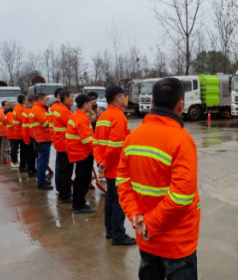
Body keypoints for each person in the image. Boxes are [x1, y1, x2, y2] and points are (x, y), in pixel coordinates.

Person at [117, 78, 200, 279]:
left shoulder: (133, 138)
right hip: (176, 244)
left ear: (152, 103)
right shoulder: (181, 140)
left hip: (146, 239)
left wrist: (136, 216)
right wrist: (150, 225)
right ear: (181, 105)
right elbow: (181, 197)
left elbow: (122, 182)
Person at [93, 85, 136, 246]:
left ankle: (110, 230)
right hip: (117, 168)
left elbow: (96, 143)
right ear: (117, 98)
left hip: (109, 167)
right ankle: (118, 234)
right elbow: (115, 146)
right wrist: (106, 164)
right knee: (119, 202)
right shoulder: (118, 117)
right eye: (124, 95)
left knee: (110, 200)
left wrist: (100, 162)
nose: (126, 98)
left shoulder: (103, 117)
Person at [66, 94, 96, 214]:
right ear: (85, 105)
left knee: (81, 178)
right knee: (83, 179)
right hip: (81, 152)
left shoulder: (79, 115)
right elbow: (87, 140)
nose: (91, 105)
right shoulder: (81, 118)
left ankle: (79, 202)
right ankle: (78, 205)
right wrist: (96, 153)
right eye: (90, 103)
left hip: (79, 151)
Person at [52, 89, 75, 201]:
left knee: (62, 170)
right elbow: (73, 125)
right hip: (65, 144)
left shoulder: (59, 108)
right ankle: (65, 195)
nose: (73, 100)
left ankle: (63, 193)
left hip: (61, 143)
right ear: (66, 99)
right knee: (66, 172)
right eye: (72, 98)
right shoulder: (64, 111)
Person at [30, 93, 54, 190]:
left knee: (42, 161)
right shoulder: (38, 109)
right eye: (46, 99)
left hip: (42, 138)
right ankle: (41, 182)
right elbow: (45, 123)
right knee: (42, 162)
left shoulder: (39, 108)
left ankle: (42, 180)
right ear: (40, 100)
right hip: (42, 139)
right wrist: (51, 115)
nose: (47, 101)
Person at [23, 96, 38, 177]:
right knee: (31, 155)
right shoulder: (30, 111)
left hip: (27, 135)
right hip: (30, 136)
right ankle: (31, 170)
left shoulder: (26, 110)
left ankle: (31, 169)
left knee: (30, 154)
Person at [14, 95, 29, 172]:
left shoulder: (17, 108)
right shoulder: (20, 109)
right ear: (23, 101)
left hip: (19, 131)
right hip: (20, 132)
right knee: (23, 150)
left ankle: (23, 164)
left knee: (23, 149)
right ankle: (22, 165)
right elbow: (22, 120)